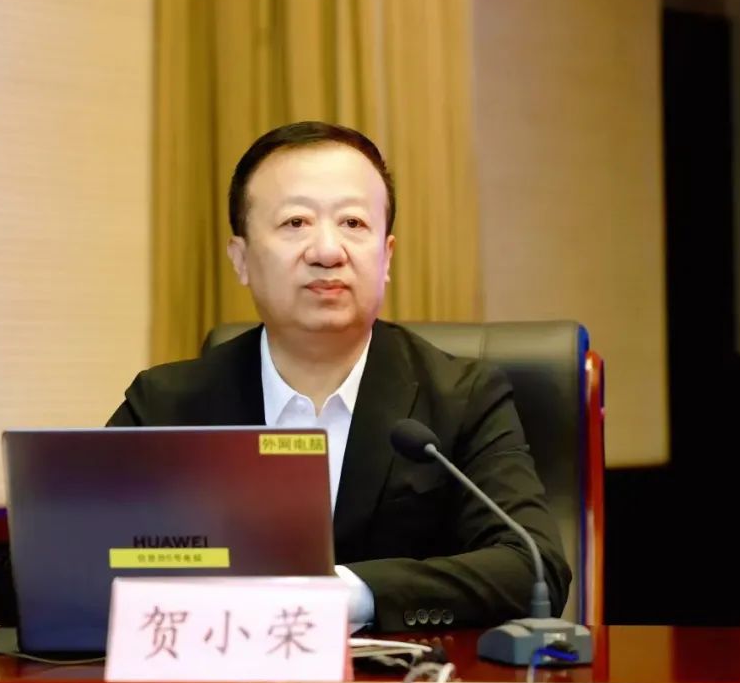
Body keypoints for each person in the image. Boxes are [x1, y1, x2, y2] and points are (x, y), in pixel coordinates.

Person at [107, 121, 571, 631]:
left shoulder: (462, 398)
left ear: (386, 256)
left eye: (352, 223)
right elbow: (68, 565)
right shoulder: (167, 403)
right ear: (241, 259)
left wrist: (350, 594)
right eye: (295, 222)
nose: (327, 251)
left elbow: (533, 568)